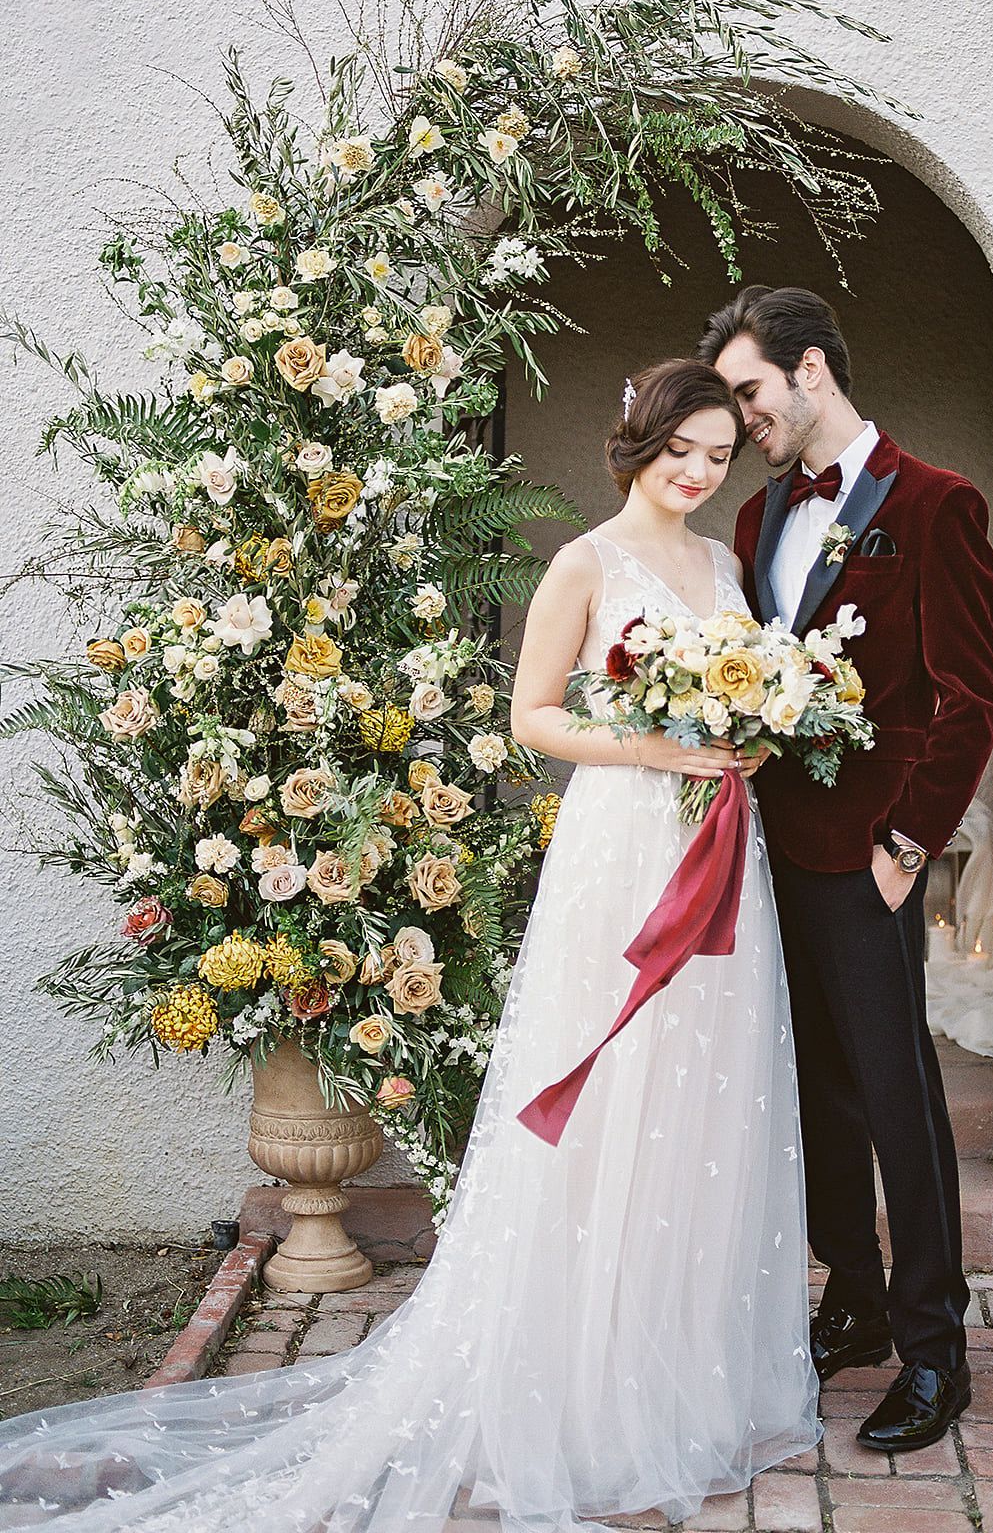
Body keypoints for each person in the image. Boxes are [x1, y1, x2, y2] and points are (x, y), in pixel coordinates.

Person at [0, 359, 819, 1532]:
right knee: (605, 1094)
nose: (695, 471)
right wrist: (654, 749)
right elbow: (532, 713)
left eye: (714, 454)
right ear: (631, 439)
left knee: (699, 1096)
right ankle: (578, 1390)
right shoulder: (584, 563)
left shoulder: (725, 562)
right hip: (623, 849)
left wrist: (744, 739)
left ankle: (683, 1375)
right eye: (678, 447)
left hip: (717, 848)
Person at [701, 286, 993, 1453]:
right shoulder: (753, 519)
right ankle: (858, 1301)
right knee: (812, 1097)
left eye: (749, 393)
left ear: (811, 370)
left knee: (897, 1105)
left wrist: (904, 847)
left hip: (866, 862)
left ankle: (936, 1351)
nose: (741, 421)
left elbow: (966, 698)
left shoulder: (933, 505)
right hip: (766, 854)